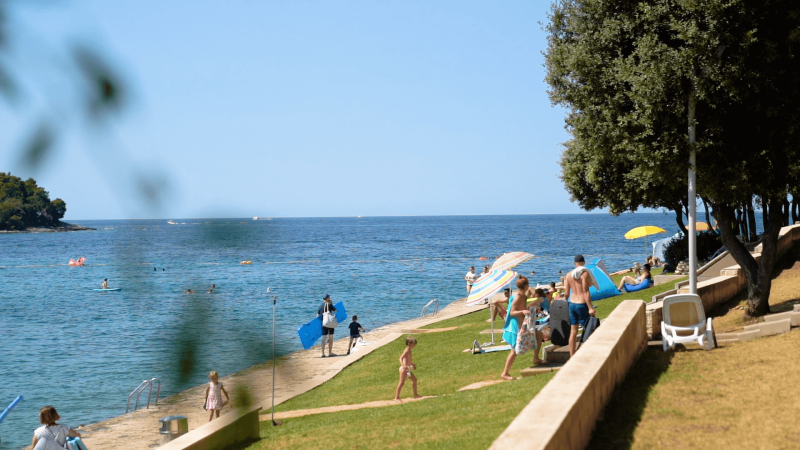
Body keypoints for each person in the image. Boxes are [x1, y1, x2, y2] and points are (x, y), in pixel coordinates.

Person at [500, 276, 543, 380]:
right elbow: (512, 312)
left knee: (539, 334)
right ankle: (505, 373)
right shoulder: (518, 296)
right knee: (514, 351)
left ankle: (536, 358)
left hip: (522, 325)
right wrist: (523, 312)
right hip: (514, 327)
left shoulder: (522, 295)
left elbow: (525, 301)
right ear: (526, 285)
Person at [564, 255, 597, 357]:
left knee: (573, 332)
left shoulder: (568, 275)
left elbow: (566, 293)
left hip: (572, 304)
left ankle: (572, 355)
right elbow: (585, 292)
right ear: (583, 262)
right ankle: (587, 353)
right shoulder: (584, 274)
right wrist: (590, 307)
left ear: (575, 264)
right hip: (582, 304)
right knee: (589, 328)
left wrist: (565, 302)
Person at [394, 336, 421, 402]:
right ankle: (396, 398)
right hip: (404, 369)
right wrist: (403, 365)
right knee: (401, 383)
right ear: (409, 344)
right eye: (414, 344)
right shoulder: (407, 350)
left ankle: (415, 395)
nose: (414, 345)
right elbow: (401, 358)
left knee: (414, 380)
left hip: (407, 369)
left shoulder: (409, 350)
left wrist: (412, 364)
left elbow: (407, 360)